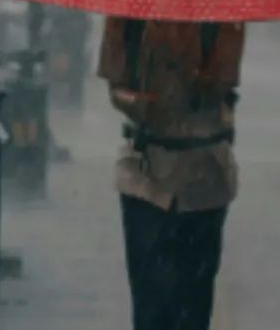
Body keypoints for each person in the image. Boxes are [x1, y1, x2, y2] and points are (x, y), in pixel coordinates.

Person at [97, 17, 245, 330]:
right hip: (145, 176)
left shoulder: (223, 15)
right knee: (151, 305)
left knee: (193, 303)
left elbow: (222, 80)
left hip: (204, 176)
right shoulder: (129, 11)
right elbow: (115, 85)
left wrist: (192, 78)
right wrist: (144, 104)